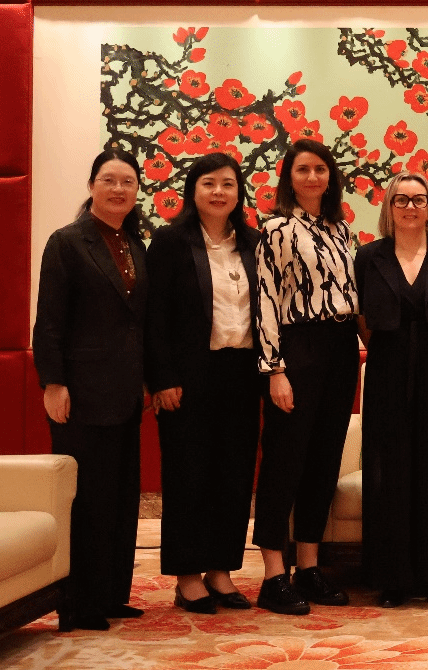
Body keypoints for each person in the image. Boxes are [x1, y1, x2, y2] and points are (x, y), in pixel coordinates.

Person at [33, 149, 150, 631]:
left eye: (127, 181)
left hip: (125, 393)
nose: (118, 189)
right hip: (80, 393)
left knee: (120, 496)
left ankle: (111, 594)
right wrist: (53, 382)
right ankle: (79, 601)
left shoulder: (135, 244)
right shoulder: (67, 242)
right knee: (86, 499)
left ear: (137, 189)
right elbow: (49, 321)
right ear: (92, 186)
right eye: (108, 180)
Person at [145, 152, 260, 615]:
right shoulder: (171, 242)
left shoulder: (252, 242)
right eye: (209, 183)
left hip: (242, 373)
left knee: (234, 474)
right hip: (188, 377)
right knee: (188, 475)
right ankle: (188, 576)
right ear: (193, 190)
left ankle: (221, 570)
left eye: (228, 184)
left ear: (239, 192)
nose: (218, 192)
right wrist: (162, 378)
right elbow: (154, 316)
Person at [253, 139, 360, 615]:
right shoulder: (275, 228)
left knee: (324, 459)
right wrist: (275, 370)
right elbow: (265, 300)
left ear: (330, 176)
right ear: (289, 178)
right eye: (303, 170)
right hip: (297, 348)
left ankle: (309, 567)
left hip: (341, 348)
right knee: (284, 460)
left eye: (320, 169)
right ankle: (273, 573)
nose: (313, 177)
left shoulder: (341, 229)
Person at [355, 172, 428, 608]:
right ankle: (393, 577)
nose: (410, 207)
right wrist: (392, 348)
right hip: (386, 370)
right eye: (400, 199)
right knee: (389, 469)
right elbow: (360, 317)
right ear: (389, 207)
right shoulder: (368, 257)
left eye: (419, 200)